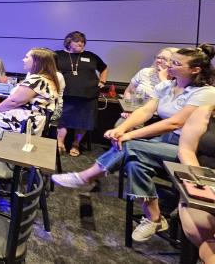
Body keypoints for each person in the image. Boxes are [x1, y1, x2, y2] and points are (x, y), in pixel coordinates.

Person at [52, 45, 215, 242]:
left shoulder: (205, 92)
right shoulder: (166, 86)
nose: (169, 66)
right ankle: (155, 218)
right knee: (134, 162)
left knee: (130, 146)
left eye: (176, 63)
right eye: (170, 61)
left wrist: (130, 135)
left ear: (195, 70)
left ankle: (87, 176)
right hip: (161, 141)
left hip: (187, 148)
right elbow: (145, 111)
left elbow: (175, 123)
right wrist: (122, 129)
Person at [0, 47, 59, 135]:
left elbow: (14, 101)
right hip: (25, 118)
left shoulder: (36, 80)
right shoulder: (45, 79)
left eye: (26, 57)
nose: (23, 60)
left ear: (37, 62)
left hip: (23, 122)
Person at [55, 31, 108, 156]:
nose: (81, 44)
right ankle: (60, 143)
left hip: (88, 96)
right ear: (69, 42)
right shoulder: (57, 55)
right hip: (65, 95)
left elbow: (104, 68)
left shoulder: (90, 56)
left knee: (83, 122)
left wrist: (102, 81)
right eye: (77, 41)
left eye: (83, 42)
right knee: (62, 120)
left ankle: (76, 144)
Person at [177, 105, 215, 263]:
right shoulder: (205, 112)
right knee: (201, 227)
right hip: (201, 187)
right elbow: (186, 150)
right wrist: (202, 182)